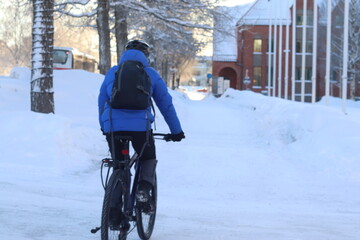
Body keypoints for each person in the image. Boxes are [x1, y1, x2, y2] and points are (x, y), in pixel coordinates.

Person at [98, 39, 185, 231]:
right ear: (146, 56)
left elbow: (102, 101)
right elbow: (165, 104)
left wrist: (104, 127)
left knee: (119, 165)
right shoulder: (150, 74)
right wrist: (176, 131)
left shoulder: (113, 72)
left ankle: (112, 213)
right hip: (140, 128)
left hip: (113, 126)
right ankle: (144, 190)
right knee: (148, 157)